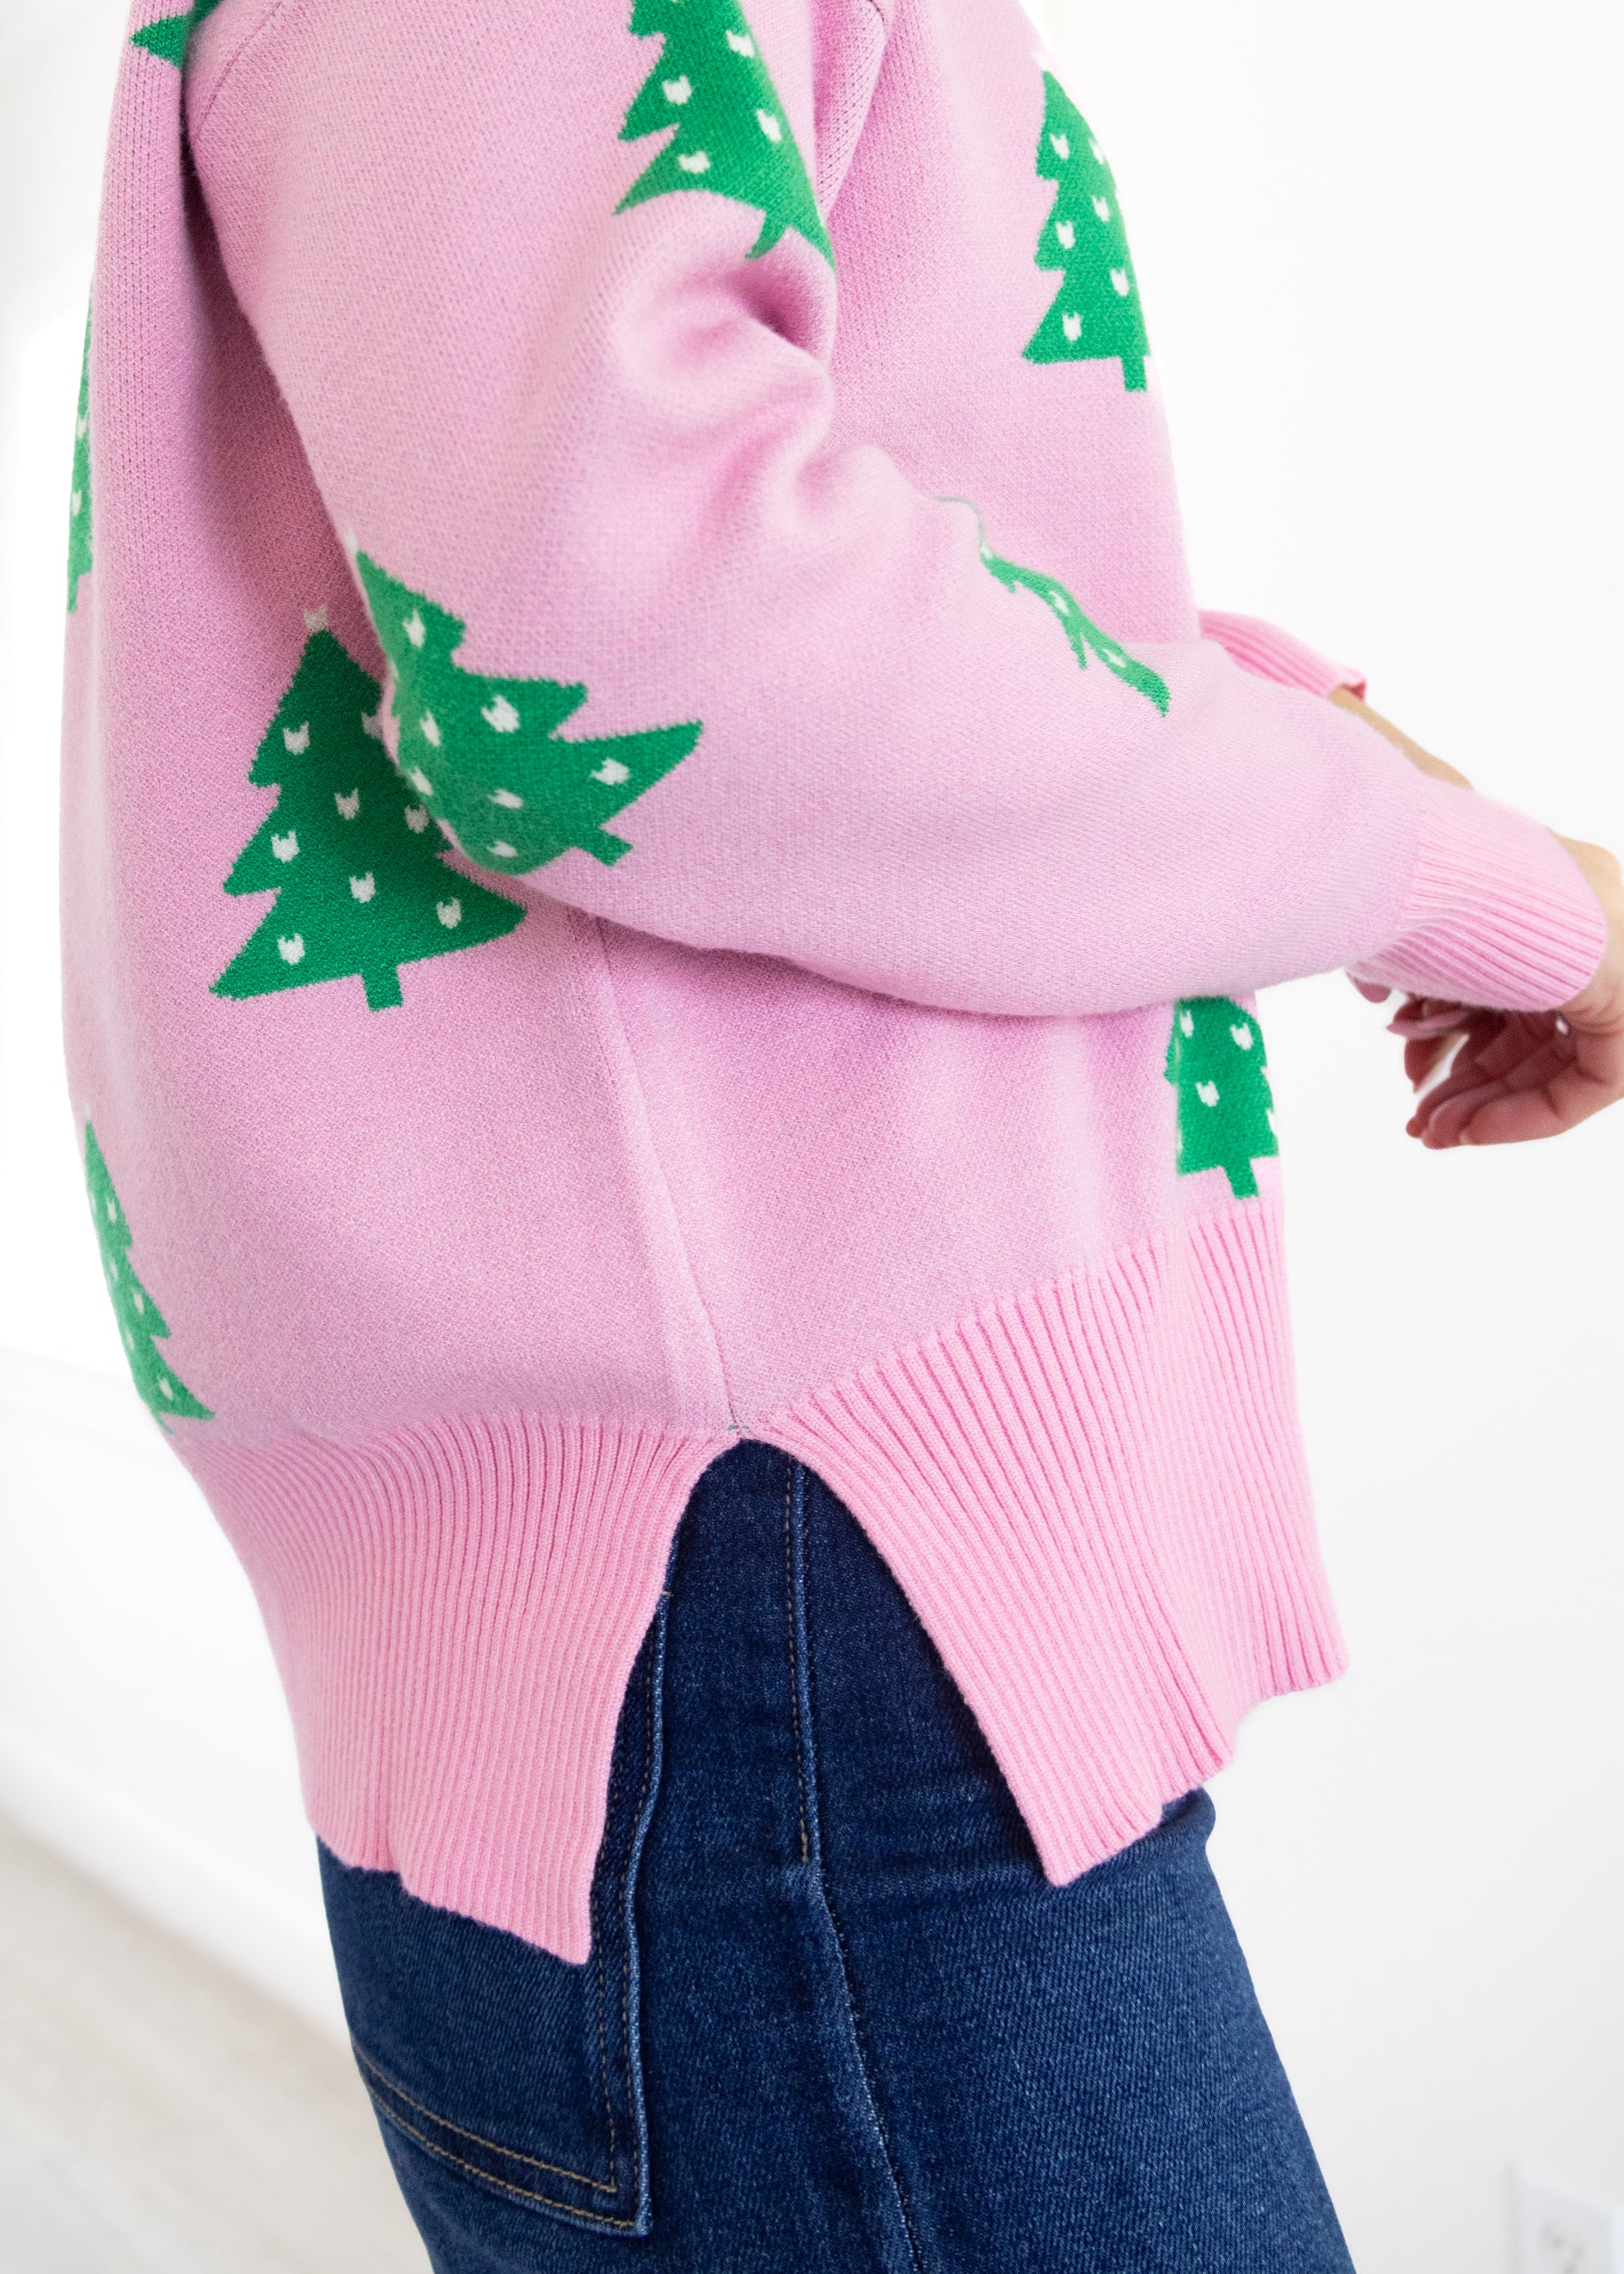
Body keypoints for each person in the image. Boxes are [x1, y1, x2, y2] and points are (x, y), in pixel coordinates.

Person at [62, 0, 1621, 2265]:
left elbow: (800, 517)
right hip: (775, 1559)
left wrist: (1339, 763)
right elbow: (641, 647)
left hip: (770, 1558)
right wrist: (1439, 869)